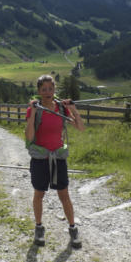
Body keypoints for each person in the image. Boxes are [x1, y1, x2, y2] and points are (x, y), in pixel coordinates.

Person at [25, 74, 85, 248]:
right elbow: (29, 136)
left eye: (50, 89)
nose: (47, 92)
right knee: (39, 194)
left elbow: (80, 127)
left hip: (58, 157)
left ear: (54, 90)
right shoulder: (34, 109)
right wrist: (33, 113)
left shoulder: (60, 107)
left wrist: (73, 109)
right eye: (43, 89)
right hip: (40, 158)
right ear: (38, 91)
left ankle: (73, 229)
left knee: (64, 195)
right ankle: (39, 228)